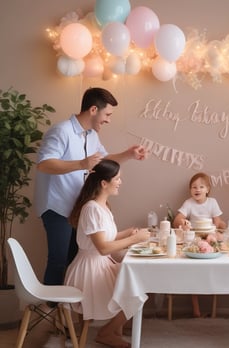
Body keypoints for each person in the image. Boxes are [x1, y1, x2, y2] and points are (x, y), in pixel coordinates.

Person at [34, 87, 148, 287]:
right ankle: (53, 312)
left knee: (74, 260)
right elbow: (44, 164)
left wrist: (128, 155)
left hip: (78, 208)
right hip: (57, 207)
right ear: (94, 109)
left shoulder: (91, 135)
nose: (109, 120)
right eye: (108, 114)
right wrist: (80, 164)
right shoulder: (61, 131)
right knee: (59, 261)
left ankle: (70, 311)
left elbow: (103, 160)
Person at [65, 159, 150, 348]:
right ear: (104, 183)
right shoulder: (91, 209)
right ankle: (108, 332)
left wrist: (127, 233)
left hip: (100, 264)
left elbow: (104, 238)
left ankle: (113, 329)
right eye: (117, 178)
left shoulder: (103, 207)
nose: (120, 182)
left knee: (136, 283)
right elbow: (102, 247)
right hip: (89, 270)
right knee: (134, 290)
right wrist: (134, 240)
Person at [173, 172, 226, 317]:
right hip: (195, 238)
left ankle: (213, 302)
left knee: (217, 247)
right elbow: (177, 220)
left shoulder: (212, 202)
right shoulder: (189, 203)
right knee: (193, 272)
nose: (197, 190)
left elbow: (218, 222)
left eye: (201, 187)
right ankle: (196, 309)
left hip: (210, 236)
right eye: (194, 187)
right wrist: (182, 223)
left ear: (207, 189)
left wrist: (221, 227)